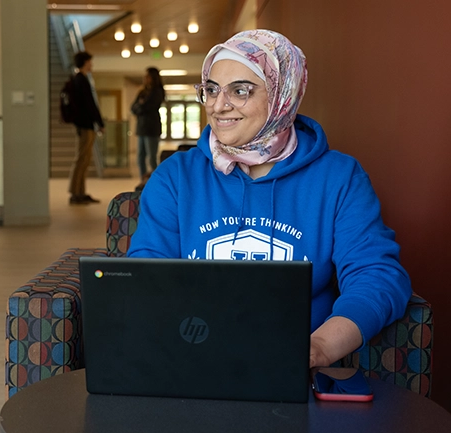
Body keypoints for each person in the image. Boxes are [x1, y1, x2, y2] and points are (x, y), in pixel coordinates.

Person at [127, 29, 411, 368]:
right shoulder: (175, 176)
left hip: (297, 367)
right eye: (211, 90)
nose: (219, 105)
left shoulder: (339, 177)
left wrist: (319, 347)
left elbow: (376, 275)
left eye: (241, 90)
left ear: (283, 94)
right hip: (190, 358)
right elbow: (147, 277)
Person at [69, 51, 105, 205]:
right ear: (85, 62)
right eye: (90, 62)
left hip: (85, 125)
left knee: (85, 159)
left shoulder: (80, 80)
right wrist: (99, 122)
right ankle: (75, 192)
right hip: (85, 126)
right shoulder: (81, 80)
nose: (92, 64)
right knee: (82, 159)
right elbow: (89, 104)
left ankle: (80, 192)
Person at [131, 67, 165, 191]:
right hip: (141, 128)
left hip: (152, 128)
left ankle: (154, 181)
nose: (145, 79)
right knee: (140, 156)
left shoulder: (157, 91)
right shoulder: (142, 92)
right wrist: (141, 105)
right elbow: (133, 108)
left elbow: (148, 107)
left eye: (148, 76)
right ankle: (143, 180)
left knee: (151, 157)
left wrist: (140, 106)